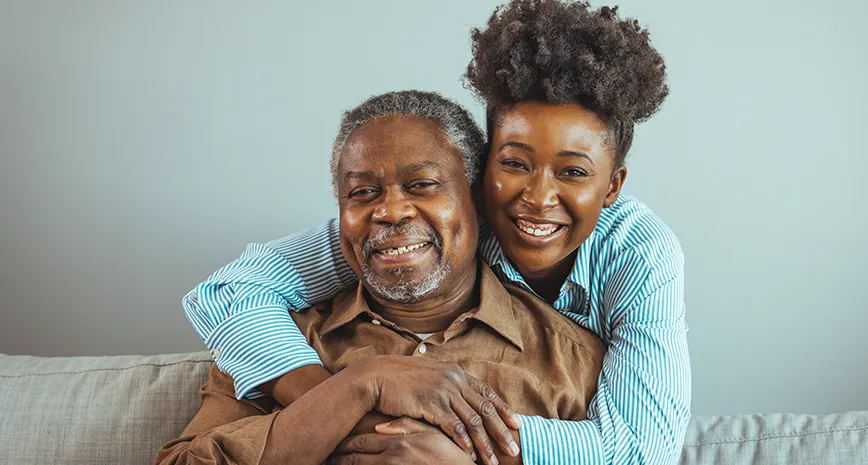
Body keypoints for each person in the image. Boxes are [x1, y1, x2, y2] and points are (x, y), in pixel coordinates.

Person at [183, 1, 691, 464]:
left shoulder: (622, 284)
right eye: (514, 164)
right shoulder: (383, 257)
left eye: (574, 172)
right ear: (484, 177)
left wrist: (466, 448)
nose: (536, 197)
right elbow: (233, 290)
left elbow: (639, 448)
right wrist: (354, 390)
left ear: (612, 186)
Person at [156, 90, 605, 465]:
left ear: (478, 204)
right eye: (362, 192)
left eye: (422, 184)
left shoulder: (571, 361)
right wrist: (360, 386)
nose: (389, 211)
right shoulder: (275, 343)